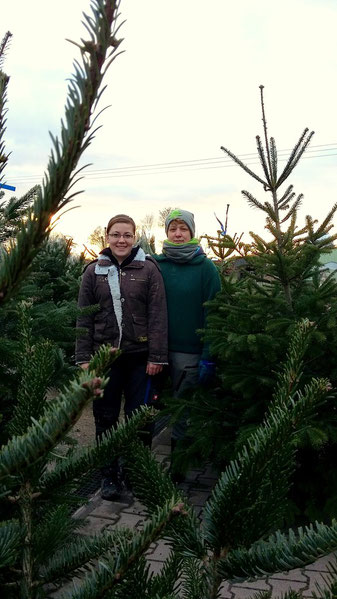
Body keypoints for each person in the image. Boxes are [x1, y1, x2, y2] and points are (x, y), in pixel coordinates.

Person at [76, 214, 168, 500]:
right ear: (107, 237)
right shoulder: (93, 271)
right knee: (105, 417)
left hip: (141, 358)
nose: (121, 240)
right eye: (116, 235)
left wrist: (157, 357)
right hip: (105, 357)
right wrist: (83, 357)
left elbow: (157, 315)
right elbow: (83, 318)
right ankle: (109, 476)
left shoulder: (148, 269)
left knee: (139, 417)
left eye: (127, 235)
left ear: (134, 237)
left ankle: (135, 472)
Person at [154, 209, 221, 475]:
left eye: (183, 229)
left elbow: (214, 312)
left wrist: (208, 354)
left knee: (183, 410)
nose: (178, 234)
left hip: (190, 354)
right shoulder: (157, 264)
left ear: (192, 233)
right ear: (167, 232)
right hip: (156, 352)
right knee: (150, 406)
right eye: (173, 229)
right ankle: (139, 464)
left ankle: (178, 468)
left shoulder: (206, 268)